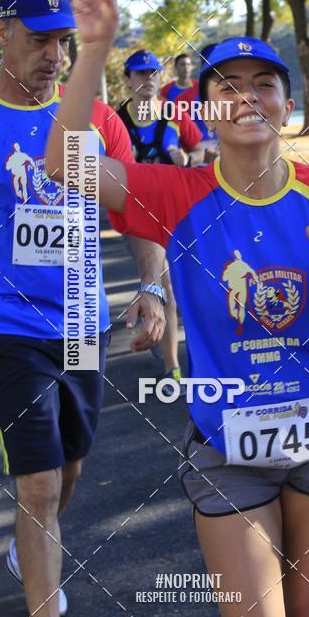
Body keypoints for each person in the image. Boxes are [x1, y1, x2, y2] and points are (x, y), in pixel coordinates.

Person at [46, 0, 309, 617]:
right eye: (226, 87)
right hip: (229, 443)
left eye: (263, 84)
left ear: (285, 105)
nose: (246, 98)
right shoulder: (177, 194)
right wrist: (92, 49)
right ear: (204, 109)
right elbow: (67, 165)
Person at [0, 0, 166, 617]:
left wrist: (153, 287)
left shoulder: (97, 118)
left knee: (68, 470)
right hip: (7, 326)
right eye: (40, 41)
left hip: (81, 323)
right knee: (35, 483)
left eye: (64, 42)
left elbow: (138, 210)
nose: (54, 57)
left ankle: (26, 550)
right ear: (0, 34)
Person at [119, 48, 201, 384]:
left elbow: (200, 147)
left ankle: (159, 333)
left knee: (176, 284)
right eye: (141, 73)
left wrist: (187, 158)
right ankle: (172, 367)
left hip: (176, 212)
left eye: (154, 72)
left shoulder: (175, 113)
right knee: (164, 282)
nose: (148, 79)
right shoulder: (115, 121)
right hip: (137, 215)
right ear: (128, 79)